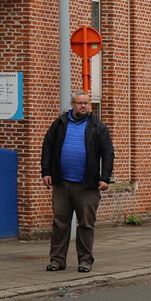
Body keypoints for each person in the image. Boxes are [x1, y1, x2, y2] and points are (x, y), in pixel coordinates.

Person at [40, 90, 113, 273]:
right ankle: (57, 260)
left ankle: (85, 260)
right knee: (60, 223)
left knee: (86, 224)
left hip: (87, 185)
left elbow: (107, 152)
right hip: (62, 183)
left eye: (86, 103)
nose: (84, 106)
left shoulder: (97, 126)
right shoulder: (60, 123)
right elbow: (48, 146)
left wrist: (105, 177)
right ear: (72, 104)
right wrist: (46, 172)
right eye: (80, 103)